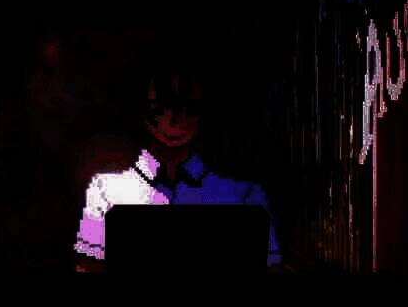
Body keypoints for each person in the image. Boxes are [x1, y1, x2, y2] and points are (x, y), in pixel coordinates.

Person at [74, 44, 282, 272]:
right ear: (142, 110)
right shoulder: (106, 189)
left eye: (187, 109)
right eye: (160, 110)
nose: (173, 122)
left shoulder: (244, 194)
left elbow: (270, 268)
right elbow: (88, 268)